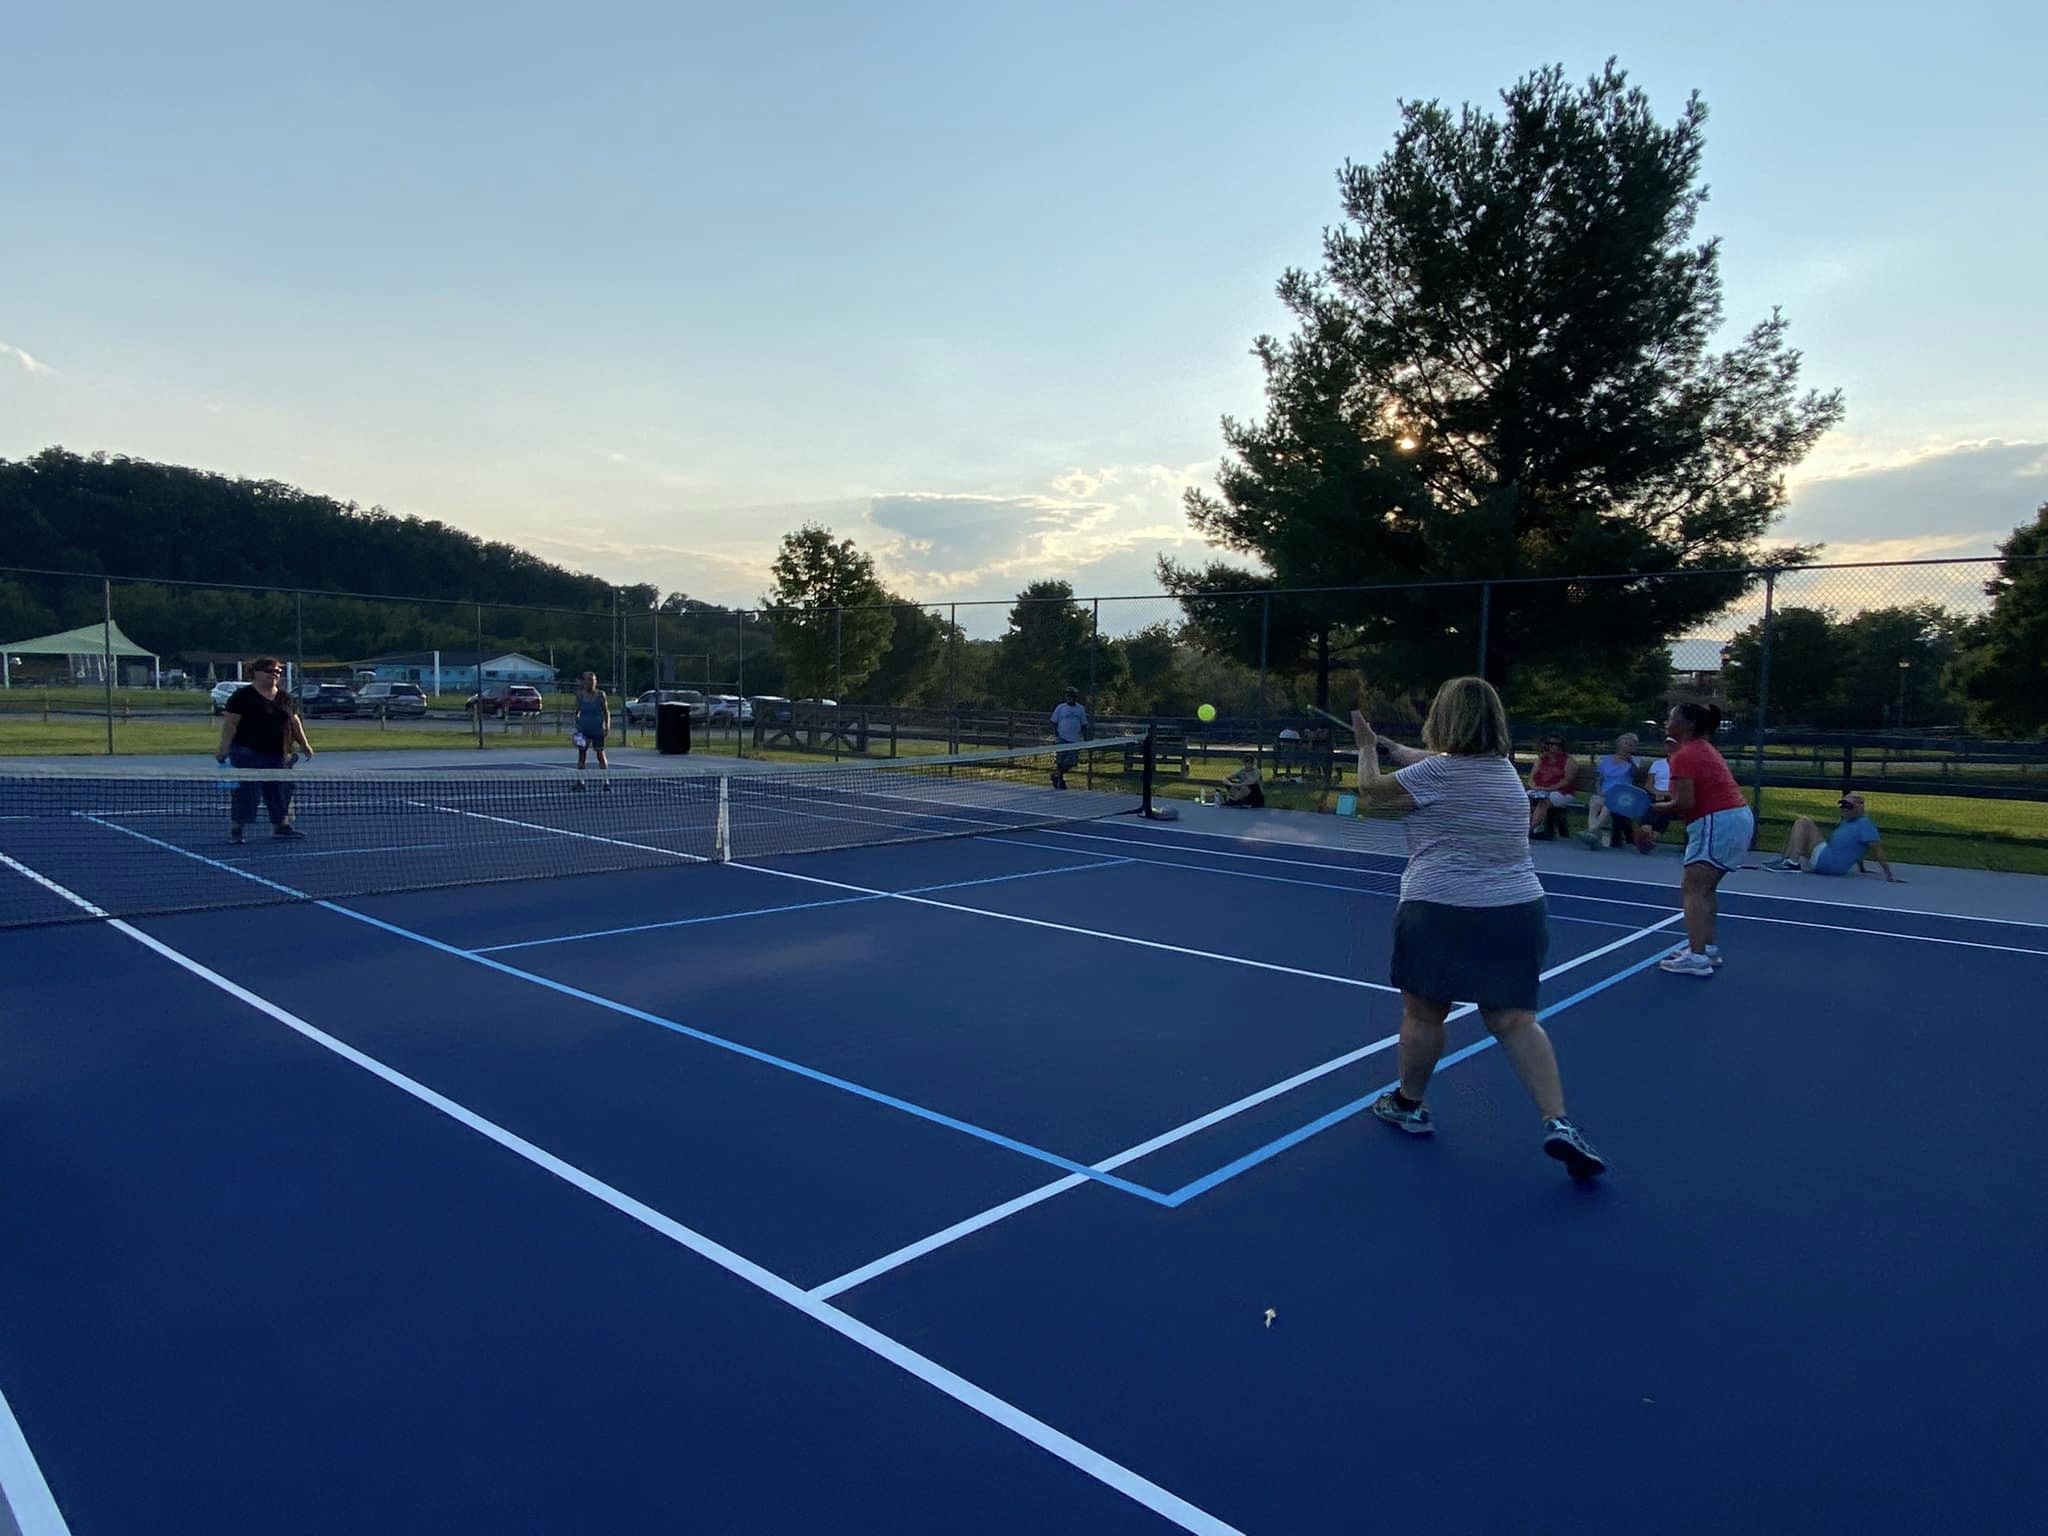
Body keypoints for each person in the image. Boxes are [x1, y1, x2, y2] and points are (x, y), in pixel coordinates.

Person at [1348, 679, 1606, 1179]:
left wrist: (1367, 752)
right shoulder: (1501, 772)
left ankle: (1409, 1103)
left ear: (1443, 719)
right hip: (1516, 909)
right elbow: (1441, 766)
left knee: (1424, 1014)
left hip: (1439, 908)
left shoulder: (1440, 773)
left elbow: (1372, 795)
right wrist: (1396, 749)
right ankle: (1559, 1122)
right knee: (1515, 1021)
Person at [1654, 702, 1754, 977]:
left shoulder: (1688, 754)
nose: (1666, 720)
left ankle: (1697, 959)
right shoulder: (1695, 751)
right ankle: (1706, 948)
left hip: (1716, 821)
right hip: (1731, 819)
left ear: (1686, 725)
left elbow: (1684, 802)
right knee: (1705, 888)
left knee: (1694, 887)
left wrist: (1652, 808)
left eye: (1671, 716)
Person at [213, 657, 313, 844]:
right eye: (269, 671)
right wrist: (223, 749)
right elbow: (230, 724)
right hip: (247, 752)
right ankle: (237, 828)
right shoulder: (242, 696)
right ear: (256, 673)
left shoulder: (285, 697)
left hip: (279, 754)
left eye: (277, 672)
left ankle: (281, 826)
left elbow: (294, 721)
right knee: (246, 792)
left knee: (281, 790)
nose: (274, 674)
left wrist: (304, 743)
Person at [1766, 792, 1902, 882]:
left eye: (1848, 806)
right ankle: (1786, 860)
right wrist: (1862, 868)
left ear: (1858, 808)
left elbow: (1876, 849)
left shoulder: (1865, 824)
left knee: (1803, 821)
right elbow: (1857, 848)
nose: (1843, 809)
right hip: (1827, 861)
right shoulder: (1847, 822)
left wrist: (1889, 875)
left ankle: (1792, 863)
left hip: (1829, 862)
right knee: (1800, 834)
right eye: (1842, 805)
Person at [1580, 732, 1644, 847]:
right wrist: (1599, 791)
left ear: (1634, 747)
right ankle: (1593, 833)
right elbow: (1599, 779)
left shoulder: (1635, 761)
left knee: (1608, 804)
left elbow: (1635, 775)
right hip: (1604, 792)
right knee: (1595, 801)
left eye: (1631, 744)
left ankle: (1591, 832)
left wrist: (1630, 762)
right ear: (1618, 744)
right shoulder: (1606, 759)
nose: (1627, 746)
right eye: (1625, 743)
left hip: (1622, 795)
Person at [1525, 734, 1579, 838]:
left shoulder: (1569, 761)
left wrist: (1547, 789)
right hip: (1539, 789)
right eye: (1550, 744)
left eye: (1556, 744)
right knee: (1524, 798)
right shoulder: (1541, 759)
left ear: (1562, 745)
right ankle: (1523, 827)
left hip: (1562, 792)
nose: (1553, 746)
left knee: (1544, 800)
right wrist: (1534, 786)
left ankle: (1529, 829)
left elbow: (1566, 781)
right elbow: (1531, 778)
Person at [572, 672, 610, 790]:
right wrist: (577, 727)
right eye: (589, 680)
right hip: (583, 730)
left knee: (600, 755)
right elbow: (576, 712)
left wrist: (607, 726)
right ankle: (581, 782)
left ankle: (606, 782)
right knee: (582, 756)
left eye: (593, 680)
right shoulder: (580, 695)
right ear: (584, 682)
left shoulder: (600, 695)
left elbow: (606, 712)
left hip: (597, 730)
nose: (591, 682)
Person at [1049, 686, 1088, 790]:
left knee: (1071, 762)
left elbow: (1084, 725)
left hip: (1075, 740)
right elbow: (1053, 721)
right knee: (1060, 761)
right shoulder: (1060, 708)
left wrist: (1086, 739)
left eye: (1072, 696)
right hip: (1062, 738)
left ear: (1076, 697)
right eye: (1068, 696)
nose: (1070, 698)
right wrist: (1056, 735)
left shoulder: (1080, 709)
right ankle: (1060, 781)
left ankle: (1056, 775)